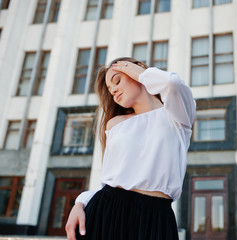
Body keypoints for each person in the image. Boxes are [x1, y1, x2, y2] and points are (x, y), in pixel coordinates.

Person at [65, 57, 196, 240]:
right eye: (110, 91)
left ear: (138, 69)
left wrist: (141, 73)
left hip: (156, 219)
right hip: (107, 213)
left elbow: (172, 82)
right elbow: (110, 180)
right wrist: (80, 203)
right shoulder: (115, 124)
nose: (114, 90)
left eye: (117, 81)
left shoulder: (177, 115)